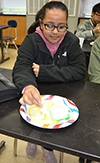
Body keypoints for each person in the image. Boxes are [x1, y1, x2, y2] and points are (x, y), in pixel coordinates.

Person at [12, 1, 86, 163]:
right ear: (41, 22)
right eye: (49, 25)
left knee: (53, 125)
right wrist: (29, 85)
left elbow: (80, 70)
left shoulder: (71, 42)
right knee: (33, 117)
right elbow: (21, 67)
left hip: (63, 93)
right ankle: (33, 139)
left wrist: (44, 71)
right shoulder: (31, 41)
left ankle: (47, 148)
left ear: (67, 25)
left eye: (61, 26)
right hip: (37, 90)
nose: (55, 32)